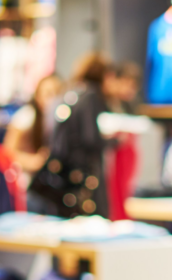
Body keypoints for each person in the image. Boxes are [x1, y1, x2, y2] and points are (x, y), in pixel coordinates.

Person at [30, 53, 141, 217]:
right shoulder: (91, 96)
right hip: (81, 176)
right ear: (104, 75)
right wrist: (115, 141)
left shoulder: (73, 93)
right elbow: (90, 139)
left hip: (65, 173)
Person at [3, 74, 63, 183]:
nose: (53, 99)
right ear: (37, 96)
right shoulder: (26, 117)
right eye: (48, 94)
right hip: (24, 181)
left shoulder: (58, 119)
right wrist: (33, 162)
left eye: (58, 93)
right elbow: (7, 152)